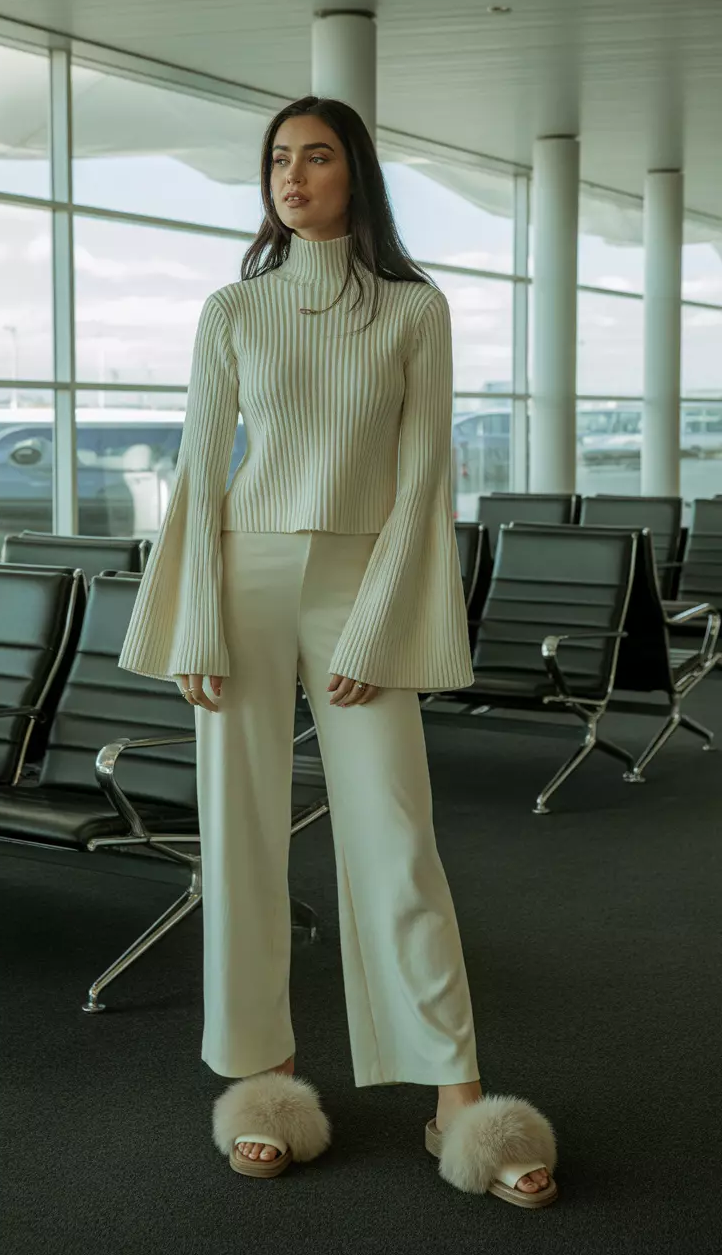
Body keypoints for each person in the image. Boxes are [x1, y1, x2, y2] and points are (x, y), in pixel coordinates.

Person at [117, 95, 558, 1208]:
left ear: (355, 173)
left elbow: (424, 477)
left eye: (316, 156)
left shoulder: (414, 309)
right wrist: (195, 617)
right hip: (245, 577)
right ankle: (263, 1083)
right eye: (279, 157)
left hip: (364, 579)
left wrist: (379, 618)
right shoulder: (233, 309)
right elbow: (200, 468)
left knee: (398, 839)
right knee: (240, 837)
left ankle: (458, 1100)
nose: (293, 175)